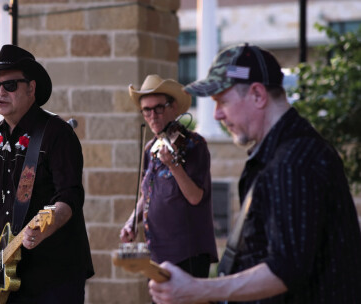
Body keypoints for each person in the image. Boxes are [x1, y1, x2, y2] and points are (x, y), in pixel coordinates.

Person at [148, 43, 361, 304]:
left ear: (258, 95)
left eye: (222, 101)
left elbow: (284, 269)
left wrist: (198, 288)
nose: (216, 115)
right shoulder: (282, 153)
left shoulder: (294, 161)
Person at [0, 44, 94, 303]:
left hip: (54, 275)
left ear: (31, 88)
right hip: (4, 276)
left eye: (10, 85)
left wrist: (44, 229)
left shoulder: (57, 134)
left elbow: (69, 197)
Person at [119, 74, 218, 278]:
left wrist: (173, 165)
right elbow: (146, 196)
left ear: (173, 107)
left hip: (187, 254)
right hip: (156, 254)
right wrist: (131, 222)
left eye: (159, 108)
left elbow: (195, 197)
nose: (153, 115)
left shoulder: (193, 144)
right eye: (147, 110)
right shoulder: (150, 149)